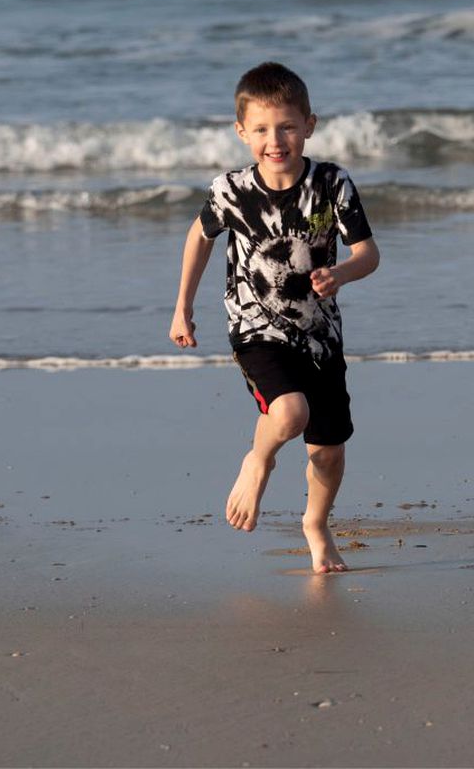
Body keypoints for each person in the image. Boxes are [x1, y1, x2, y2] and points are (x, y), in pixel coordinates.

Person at [169, 61, 380, 574]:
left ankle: (315, 524)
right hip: (254, 328)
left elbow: (368, 253)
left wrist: (344, 274)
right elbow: (200, 236)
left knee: (328, 449)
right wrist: (183, 307)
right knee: (288, 414)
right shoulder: (231, 190)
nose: (275, 139)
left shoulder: (332, 183)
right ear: (242, 132)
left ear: (310, 124)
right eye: (261, 129)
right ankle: (256, 461)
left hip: (320, 335)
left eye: (287, 126)